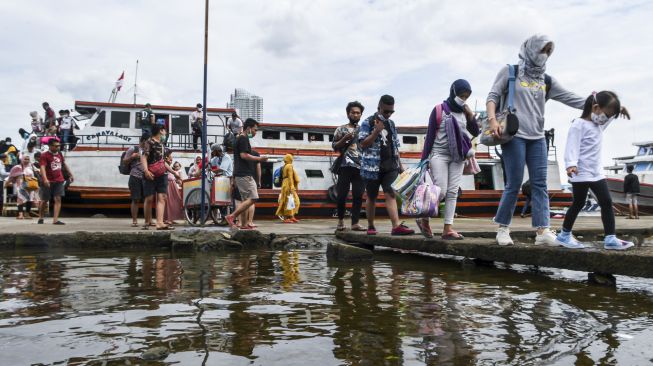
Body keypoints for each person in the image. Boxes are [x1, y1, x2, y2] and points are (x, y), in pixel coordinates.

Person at [486, 34, 588, 246]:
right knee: (513, 184)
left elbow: (571, 97)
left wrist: (599, 102)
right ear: (531, 48)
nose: (545, 55)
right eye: (543, 50)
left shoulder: (546, 80)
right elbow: (493, 96)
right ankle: (503, 229)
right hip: (514, 136)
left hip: (537, 138)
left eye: (549, 52)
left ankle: (542, 231)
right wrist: (493, 120)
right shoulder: (510, 71)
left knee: (540, 184)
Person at [557, 91, 634, 250]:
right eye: (606, 115)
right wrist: (570, 164)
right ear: (596, 107)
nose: (606, 119)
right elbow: (572, 145)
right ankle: (564, 235)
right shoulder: (579, 124)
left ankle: (610, 238)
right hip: (580, 172)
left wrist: (620, 110)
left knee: (606, 202)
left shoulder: (598, 124)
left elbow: (609, 117)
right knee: (578, 203)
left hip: (596, 172)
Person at [417, 79, 479, 239]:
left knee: (452, 192)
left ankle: (448, 229)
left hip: (458, 156)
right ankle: (424, 217)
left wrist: (470, 115)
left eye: (466, 96)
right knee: (441, 190)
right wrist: (423, 161)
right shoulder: (439, 109)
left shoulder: (465, 111)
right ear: (453, 92)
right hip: (439, 154)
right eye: (461, 95)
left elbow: (476, 131)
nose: (463, 99)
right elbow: (430, 136)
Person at [358, 95, 414, 236]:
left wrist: (400, 166)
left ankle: (396, 226)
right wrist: (376, 131)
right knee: (372, 196)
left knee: (391, 194)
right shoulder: (367, 122)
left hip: (390, 166)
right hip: (372, 167)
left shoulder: (391, 124)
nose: (388, 114)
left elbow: (395, 146)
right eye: (386, 112)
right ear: (379, 108)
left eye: (391, 112)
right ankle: (371, 225)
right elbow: (362, 145)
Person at [225, 118, 268, 229]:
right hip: (245, 174)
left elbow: (237, 159)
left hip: (239, 174)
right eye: (255, 130)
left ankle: (244, 225)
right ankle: (232, 216)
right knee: (253, 198)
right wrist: (259, 159)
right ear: (248, 128)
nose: (255, 132)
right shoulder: (243, 139)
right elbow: (244, 155)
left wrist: (234, 177)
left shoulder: (239, 138)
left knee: (245, 200)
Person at [333, 101, 366, 231]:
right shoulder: (340, 129)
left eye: (358, 113)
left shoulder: (365, 129)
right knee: (342, 195)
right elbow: (334, 147)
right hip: (345, 166)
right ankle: (340, 221)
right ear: (348, 113)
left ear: (361, 115)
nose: (355, 114)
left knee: (358, 195)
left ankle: (355, 223)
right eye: (353, 112)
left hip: (360, 166)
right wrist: (344, 139)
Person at [141, 124, 176, 230]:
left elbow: (163, 162)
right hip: (150, 174)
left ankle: (159, 223)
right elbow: (144, 157)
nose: (165, 133)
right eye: (165, 131)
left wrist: (174, 172)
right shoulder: (149, 142)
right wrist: (146, 171)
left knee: (162, 197)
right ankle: (147, 221)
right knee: (149, 198)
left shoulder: (162, 145)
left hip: (162, 175)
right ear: (161, 131)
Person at [38, 138, 73, 225]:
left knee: (58, 199)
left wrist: (70, 174)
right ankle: (41, 217)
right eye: (56, 146)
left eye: (59, 145)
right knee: (44, 200)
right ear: (50, 146)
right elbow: (42, 168)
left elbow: (64, 164)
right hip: (48, 180)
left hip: (59, 179)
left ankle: (55, 220)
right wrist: (45, 179)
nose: (58, 147)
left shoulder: (60, 154)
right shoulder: (44, 155)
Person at [123, 135, 148, 227]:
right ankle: (134, 221)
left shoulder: (148, 150)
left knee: (147, 199)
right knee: (136, 199)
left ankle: (147, 221)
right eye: (146, 142)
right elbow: (124, 161)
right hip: (135, 176)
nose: (147, 144)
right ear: (142, 141)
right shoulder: (133, 149)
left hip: (146, 177)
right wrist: (132, 157)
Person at [5, 155, 39, 219]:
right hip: (20, 185)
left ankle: (27, 214)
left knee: (30, 199)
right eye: (25, 159)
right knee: (20, 199)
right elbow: (11, 176)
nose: (26, 161)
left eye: (28, 159)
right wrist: (6, 183)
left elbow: (38, 171)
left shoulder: (31, 166)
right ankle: (20, 214)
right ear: (21, 159)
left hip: (30, 185)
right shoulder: (17, 167)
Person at [275, 154, 301, 223]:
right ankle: (286, 218)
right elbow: (290, 177)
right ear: (290, 159)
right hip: (288, 184)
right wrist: (292, 186)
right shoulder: (289, 166)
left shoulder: (284, 166)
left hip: (285, 184)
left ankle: (292, 216)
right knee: (290, 201)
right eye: (291, 158)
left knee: (291, 200)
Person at [164, 149, 183, 225]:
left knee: (174, 201)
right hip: (168, 185)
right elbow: (173, 174)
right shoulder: (165, 163)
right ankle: (168, 219)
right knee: (169, 202)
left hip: (172, 184)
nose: (171, 159)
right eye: (169, 156)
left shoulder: (168, 164)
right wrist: (179, 178)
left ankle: (171, 218)